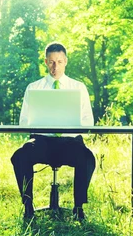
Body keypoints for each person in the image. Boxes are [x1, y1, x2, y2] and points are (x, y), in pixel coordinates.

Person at [11, 42, 95, 221]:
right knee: (20, 156)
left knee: (87, 158)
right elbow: (23, 121)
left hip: (70, 143)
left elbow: (89, 121)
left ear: (65, 61)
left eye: (59, 61)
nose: (55, 66)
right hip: (42, 142)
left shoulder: (78, 88)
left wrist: (70, 123)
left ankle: (79, 207)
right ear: (45, 62)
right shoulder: (34, 88)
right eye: (51, 62)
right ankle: (28, 207)